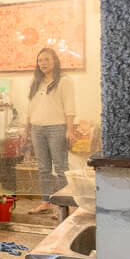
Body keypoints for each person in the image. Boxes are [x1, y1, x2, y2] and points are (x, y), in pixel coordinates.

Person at [26, 47, 75, 215]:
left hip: (57, 128)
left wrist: (70, 129)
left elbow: (70, 108)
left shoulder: (64, 81)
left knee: (61, 168)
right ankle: (46, 202)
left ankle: (65, 206)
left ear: (55, 61)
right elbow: (30, 107)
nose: (43, 63)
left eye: (46, 59)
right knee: (43, 168)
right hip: (37, 128)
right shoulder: (36, 82)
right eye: (40, 60)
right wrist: (27, 128)